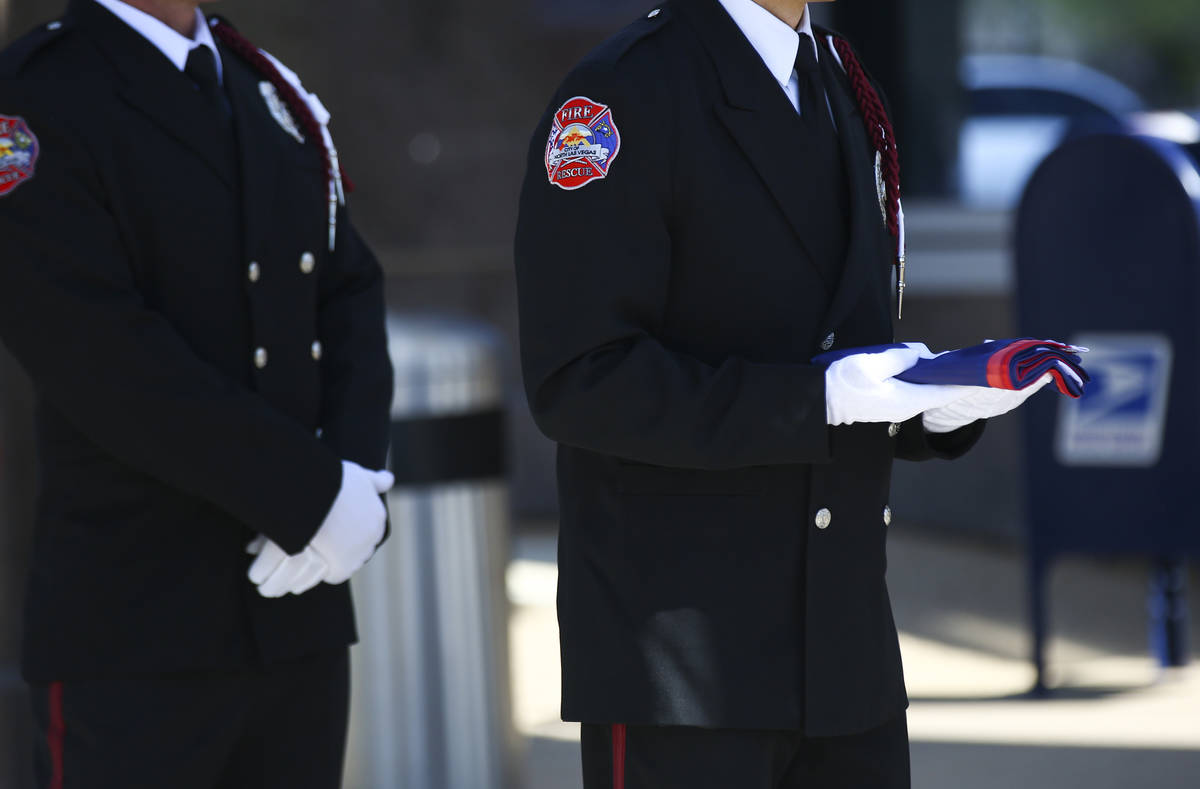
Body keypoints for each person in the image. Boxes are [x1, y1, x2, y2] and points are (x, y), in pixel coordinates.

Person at [515, 1, 1046, 786]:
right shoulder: (623, 92)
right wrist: (818, 401)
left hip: (845, 656)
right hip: (685, 667)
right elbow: (580, 380)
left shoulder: (840, 79)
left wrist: (934, 404)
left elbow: (841, 348)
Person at [0, 0, 393, 786]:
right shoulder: (35, 97)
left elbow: (347, 287)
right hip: (136, 631)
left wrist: (358, 479)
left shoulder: (262, 82)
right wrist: (310, 494)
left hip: (296, 617)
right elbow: (100, 357)